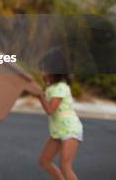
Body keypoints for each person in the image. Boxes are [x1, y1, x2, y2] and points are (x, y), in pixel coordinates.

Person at [35, 50, 83, 180]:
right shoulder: (52, 87)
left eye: (44, 69)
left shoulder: (61, 87)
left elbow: (50, 110)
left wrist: (40, 97)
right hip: (58, 131)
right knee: (44, 161)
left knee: (65, 166)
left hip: (70, 129)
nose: (42, 72)